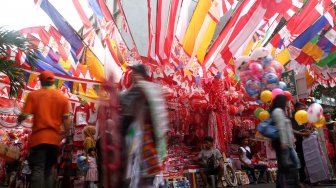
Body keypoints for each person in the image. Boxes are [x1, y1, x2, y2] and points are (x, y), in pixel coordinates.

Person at [17, 70, 71, 188]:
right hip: (53, 141)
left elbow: (24, 115)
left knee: (38, 169)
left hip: (38, 139)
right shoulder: (63, 98)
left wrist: (18, 120)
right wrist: (64, 134)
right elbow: (67, 121)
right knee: (49, 170)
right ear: (54, 81)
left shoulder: (33, 95)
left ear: (41, 81)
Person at [121, 64, 168, 188]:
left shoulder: (139, 88)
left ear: (138, 74)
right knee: (147, 174)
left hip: (142, 136)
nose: (131, 75)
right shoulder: (154, 89)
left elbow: (125, 103)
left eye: (133, 73)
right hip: (153, 137)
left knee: (138, 172)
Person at [270, 94, 301, 188]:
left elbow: (287, 128)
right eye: (286, 101)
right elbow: (281, 128)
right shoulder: (278, 111)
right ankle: (286, 184)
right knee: (285, 165)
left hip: (288, 143)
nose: (287, 103)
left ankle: (293, 183)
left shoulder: (281, 111)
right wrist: (284, 142)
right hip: (283, 143)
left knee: (289, 164)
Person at [290, 102, 311, 184]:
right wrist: (302, 133)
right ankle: (301, 179)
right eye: (302, 108)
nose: (304, 110)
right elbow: (292, 130)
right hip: (297, 143)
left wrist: (308, 131)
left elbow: (305, 127)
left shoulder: (304, 117)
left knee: (307, 160)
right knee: (300, 161)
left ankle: (308, 179)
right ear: (297, 108)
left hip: (306, 142)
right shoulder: (292, 118)